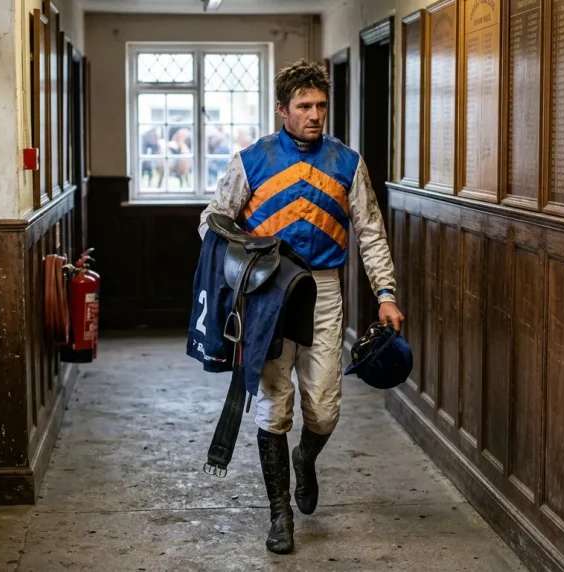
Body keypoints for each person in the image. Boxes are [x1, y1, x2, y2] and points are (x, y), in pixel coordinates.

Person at [197, 59, 404, 555]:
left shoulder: (348, 163)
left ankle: (305, 460)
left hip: (325, 291)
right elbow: (211, 222)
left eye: (321, 106)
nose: (315, 115)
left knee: (325, 409)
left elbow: (371, 232)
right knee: (273, 404)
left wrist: (387, 295)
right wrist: (244, 266)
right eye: (304, 106)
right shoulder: (252, 160)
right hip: (268, 292)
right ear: (282, 110)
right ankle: (279, 515)